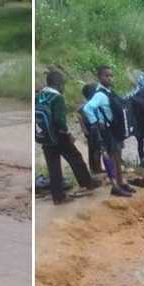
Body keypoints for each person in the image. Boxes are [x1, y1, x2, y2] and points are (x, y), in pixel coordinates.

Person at [37, 71, 99, 205]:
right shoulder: (57, 98)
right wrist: (68, 134)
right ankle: (88, 184)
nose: (63, 88)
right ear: (58, 84)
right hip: (58, 136)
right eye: (63, 85)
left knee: (53, 167)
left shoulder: (40, 95)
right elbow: (59, 120)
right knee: (76, 158)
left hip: (45, 136)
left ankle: (58, 197)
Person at [82, 66, 133, 197]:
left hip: (114, 129)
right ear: (100, 77)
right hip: (107, 130)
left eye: (111, 76)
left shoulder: (108, 92)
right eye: (106, 76)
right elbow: (87, 108)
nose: (109, 78)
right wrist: (95, 122)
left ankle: (120, 183)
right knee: (110, 158)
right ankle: (115, 186)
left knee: (117, 156)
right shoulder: (100, 94)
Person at [78, 83, 102, 175]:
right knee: (97, 150)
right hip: (94, 129)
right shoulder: (93, 104)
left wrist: (84, 129)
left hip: (88, 130)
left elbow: (79, 115)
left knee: (92, 149)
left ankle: (93, 168)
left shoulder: (84, 105)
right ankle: (97, 169)